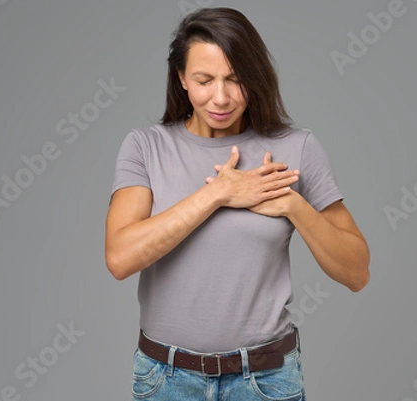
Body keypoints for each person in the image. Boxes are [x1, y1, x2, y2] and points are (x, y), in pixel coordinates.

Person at [104, 7, 370, 400]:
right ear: (181, 79)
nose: (221, 97)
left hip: (265, 380)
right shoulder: (145, 147)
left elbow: (356, 272)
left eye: (235, 79)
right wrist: (217, 194)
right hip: (166, 380)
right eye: (204, 80)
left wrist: (294, 206)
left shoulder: (296, 148)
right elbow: (120, 258)